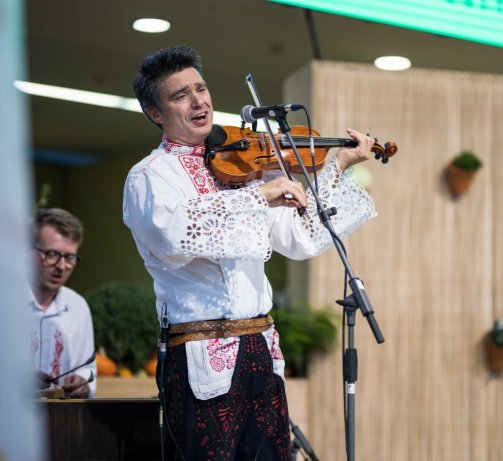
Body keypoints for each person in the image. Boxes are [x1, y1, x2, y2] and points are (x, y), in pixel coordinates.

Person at [123, 45, 377, 460]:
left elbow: (300, 239)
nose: (198, 101)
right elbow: (172, 237)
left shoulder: (240, 164)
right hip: (201, 350)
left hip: (260, 345)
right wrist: (259, 196)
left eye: (200, 88)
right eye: (180, 95)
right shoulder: (150, 176)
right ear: (155, 113)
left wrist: (337, 166)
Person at [30, 208, 96, 398]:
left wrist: (84, 384)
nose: (61, 266)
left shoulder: (78, 306)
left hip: (61, 421)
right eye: (52, 254)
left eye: (69, 257)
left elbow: (88, 369)